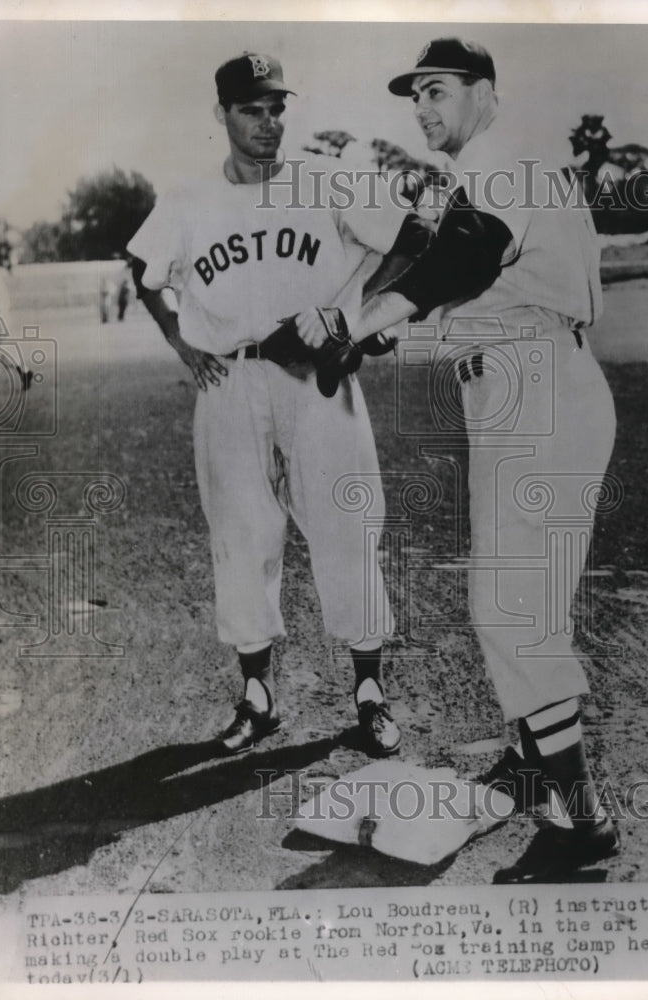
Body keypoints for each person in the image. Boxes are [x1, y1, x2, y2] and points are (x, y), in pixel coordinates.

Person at [294, 38, 620, 881]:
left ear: (483, 90)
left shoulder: (502, 157)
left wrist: (351, 321)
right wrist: (391, 328)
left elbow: (463, 253)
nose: (423, 108)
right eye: (415, 97)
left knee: (511, 609)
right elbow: (486, 287)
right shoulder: (511, 163)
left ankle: (581, 819)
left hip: (536, 391)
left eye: (437, 90)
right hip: (532, 380)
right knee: (518, 598)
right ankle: (527, 762)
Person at [126, 52, 408, 758]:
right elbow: (142, 268)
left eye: (277, 107)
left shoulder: (325, 182)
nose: (268, 121)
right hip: (229, 381)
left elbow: (413, 244)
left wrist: (358, 321)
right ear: (221, 113)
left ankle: (369, 692)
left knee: (347, 526)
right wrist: (179, 341)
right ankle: (256, 695)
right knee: (241, 537)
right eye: (252, 108)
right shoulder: (189, 200)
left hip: (316, 378)